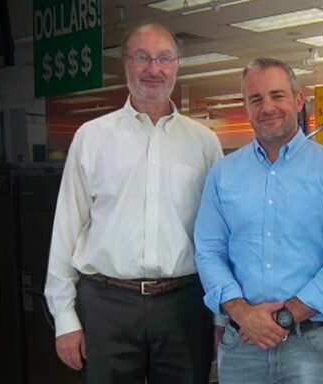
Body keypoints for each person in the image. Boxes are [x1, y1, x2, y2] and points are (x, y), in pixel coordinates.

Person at [44, 23, 223, 384]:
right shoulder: (91, 138)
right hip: (106, 305)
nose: (152, 69)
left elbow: (219, 236)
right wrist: (64, 317)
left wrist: (219, 317)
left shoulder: (205, 143)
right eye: (141, 57)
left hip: (184, 306)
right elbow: (66, 229)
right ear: (125, 64)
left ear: (177, 65)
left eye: (163, 58)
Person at [194, 57, 323, 383]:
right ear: (246, 107)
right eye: (255, 99)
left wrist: (285, 316)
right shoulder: (223, 175)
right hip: (241, 342)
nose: (267, 107)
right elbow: (208, 251)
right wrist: (243, 314)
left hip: (312, 344)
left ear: (299, 100)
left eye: (277, 95)